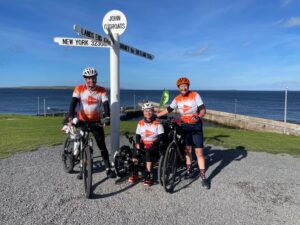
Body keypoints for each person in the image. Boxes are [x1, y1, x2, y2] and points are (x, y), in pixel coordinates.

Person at [157, 77, 210, 189]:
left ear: (188, 86)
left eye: (185, 86)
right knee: (187, 150)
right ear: (178, 88)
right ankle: (188, 171)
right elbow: (169, 109)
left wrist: (199, 116)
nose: (183, 88)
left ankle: (203, 177)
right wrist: (156, 115)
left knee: (199, 152)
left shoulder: (195, 95)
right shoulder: (177, 99)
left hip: (196, 126)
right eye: (181, 86)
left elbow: (203, 109)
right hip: (185, 126)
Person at [68, 67, 116, 179]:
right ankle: (81, 167)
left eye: (93, 78)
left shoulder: (102, 90)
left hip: (95, 121)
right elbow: (73, 103)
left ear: (96, 78)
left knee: (102, 145)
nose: (91, 81)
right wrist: (71, 116)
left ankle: (108, 169)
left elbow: (105, 104)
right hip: (82, 120)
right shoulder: (79, 88)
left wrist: (108, 117)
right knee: (81, 144)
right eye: (88, 78)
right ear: (85, 79)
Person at [128, 102, 164, 186]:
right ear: (143, 112)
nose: (148, 113)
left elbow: (160, 137)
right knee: (135, 152)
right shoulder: (140, 123)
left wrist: (153, 144)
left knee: (148, 153)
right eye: (146, 111)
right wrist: (137, 144)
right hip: (143, 143)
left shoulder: (158, 123)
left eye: (150, 111)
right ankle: (135, 173)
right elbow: (137, 135)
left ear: (153, 111)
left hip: (154, 145)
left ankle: (148, 175)